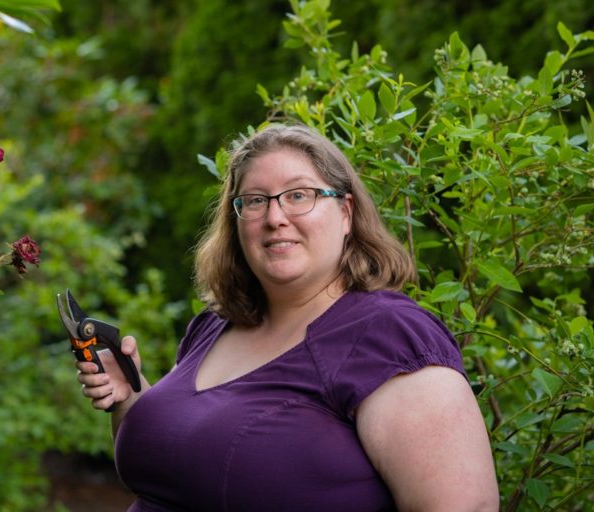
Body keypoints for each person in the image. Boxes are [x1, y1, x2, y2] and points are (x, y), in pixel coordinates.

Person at [77, 123, 499, 511]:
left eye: (299, 195)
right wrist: (129, 398)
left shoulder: (389, 336)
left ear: (346, 213)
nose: (275, 218)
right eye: (256, 201)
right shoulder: (215, 325)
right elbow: (174, 470)